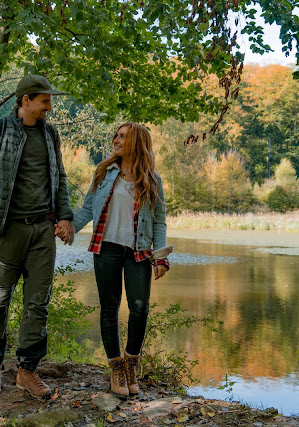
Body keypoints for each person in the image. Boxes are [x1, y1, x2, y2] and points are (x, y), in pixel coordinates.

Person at [0, 75, 75, 400]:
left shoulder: (50, 133)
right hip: (6, 228)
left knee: (37, 303)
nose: (49, 108)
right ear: (25, 100)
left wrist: (65, 216)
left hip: (44, 230)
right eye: (44, 101)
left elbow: (61, 177)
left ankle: (27, 371)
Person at [70, 122, 169, 397]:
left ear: (136, 142)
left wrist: (160, 257)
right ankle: (116, 369)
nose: (116, 139)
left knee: (140, 309)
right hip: (107, 249)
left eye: (122, 136)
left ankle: (131, 364)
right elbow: (87, 208)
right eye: (116, 134)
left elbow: (159, 222)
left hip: (138, 252)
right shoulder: (104, 172)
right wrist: (68, 228)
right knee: (109, 308)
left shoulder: (152, 179)